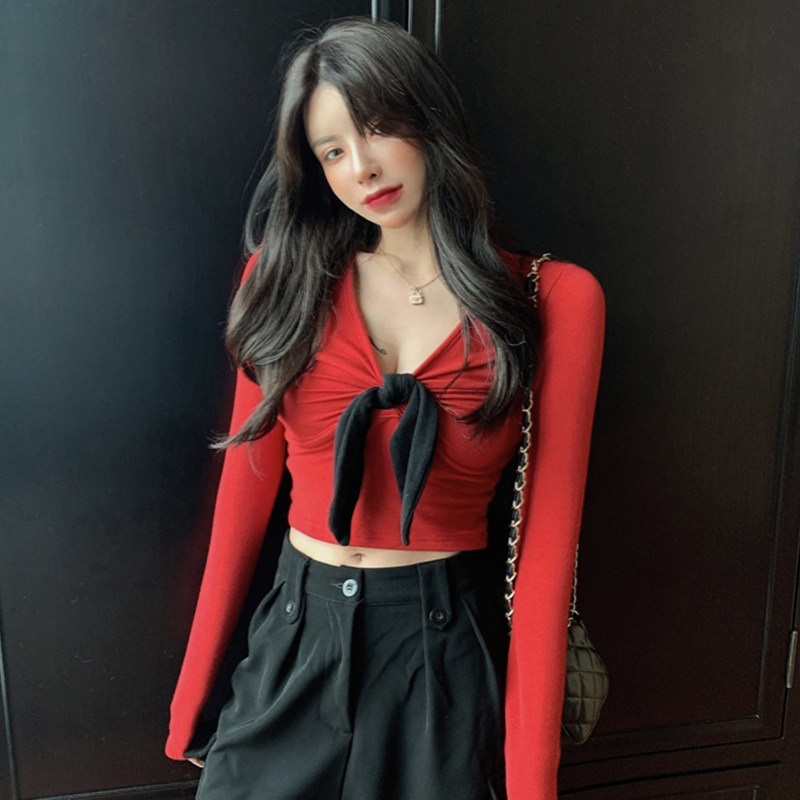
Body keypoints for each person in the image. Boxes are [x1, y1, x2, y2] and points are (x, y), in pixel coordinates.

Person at [165, 16, 604, 800]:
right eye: (332, 151)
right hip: (294, 643)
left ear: (427, 119)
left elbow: (547, 554)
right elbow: (244, 496)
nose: (362, 167)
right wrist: (191, 705)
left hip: (441, 662)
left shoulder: (554, 299)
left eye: (375, 129)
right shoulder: (281, 282)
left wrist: (532, 781)